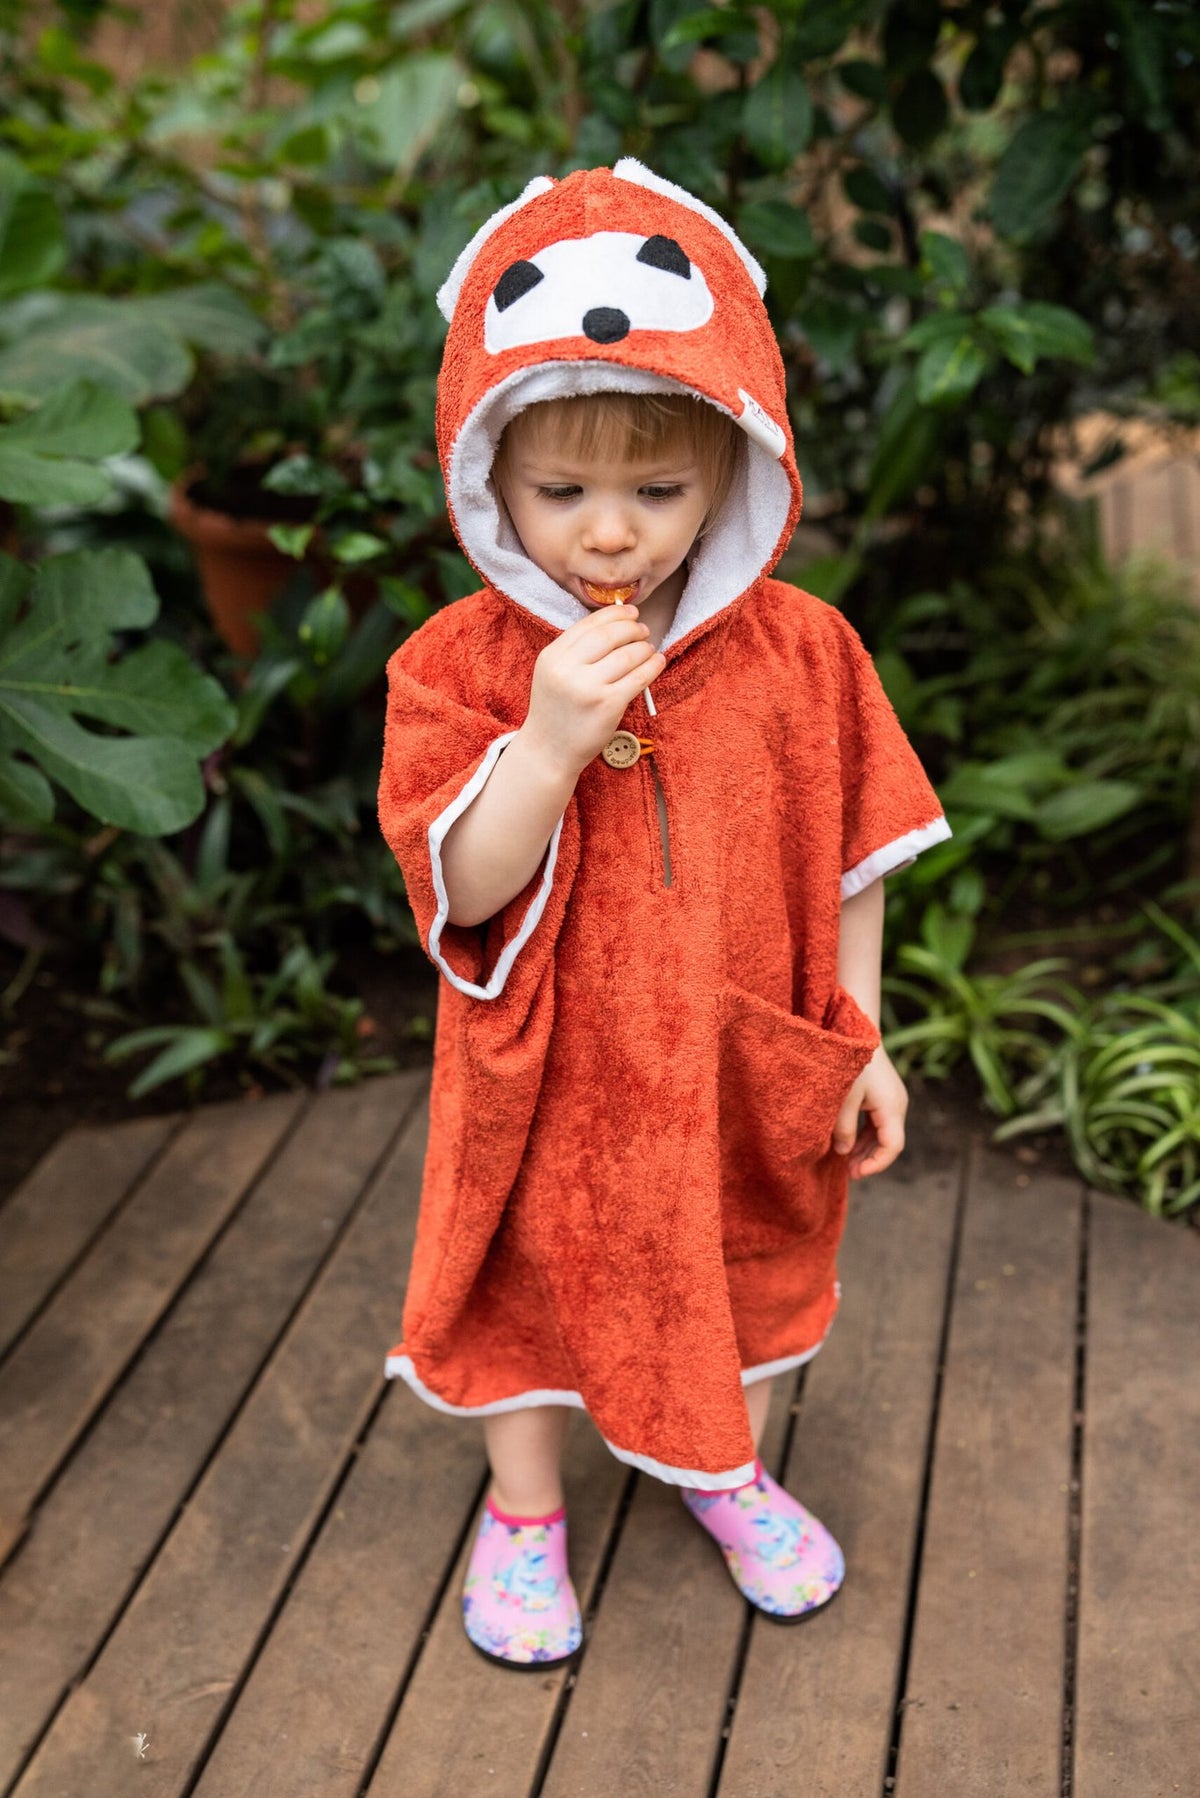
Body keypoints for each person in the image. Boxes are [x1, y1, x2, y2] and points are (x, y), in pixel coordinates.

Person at [378, 160, 951, 1671]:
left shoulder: (800, 651)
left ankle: (726, 1464)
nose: (612, 536)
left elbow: (856, 854)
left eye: (660, 488)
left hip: (733, 1055)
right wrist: (550, 745)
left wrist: (861, 1033)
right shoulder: (462, 663)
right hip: (547, 1075)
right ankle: (522, 1508)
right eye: (561, 492)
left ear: (736, 459)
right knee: (519, 1273)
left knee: (751, 1249)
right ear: (483, 468)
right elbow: (464, 886)